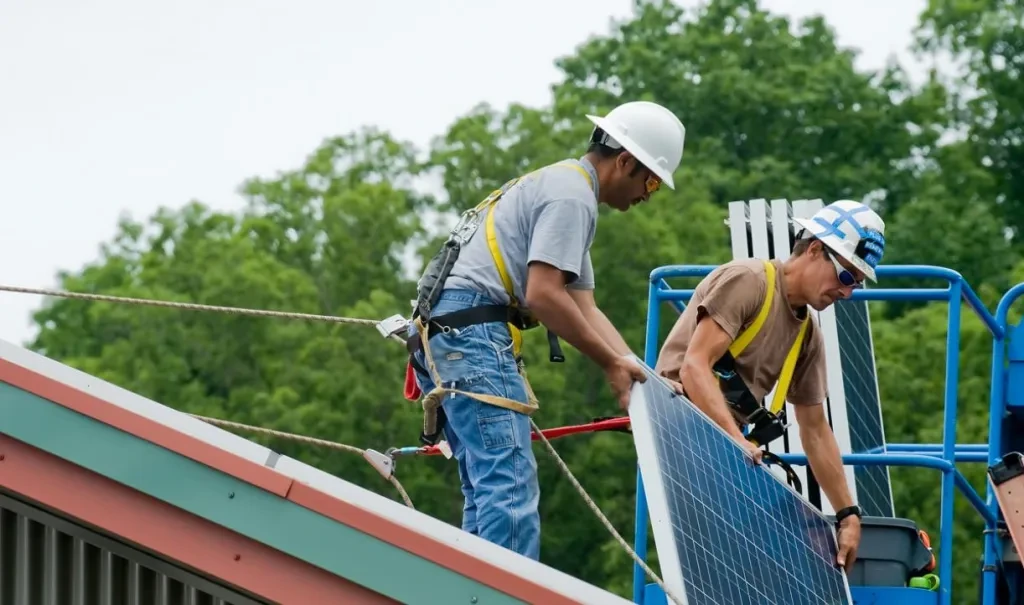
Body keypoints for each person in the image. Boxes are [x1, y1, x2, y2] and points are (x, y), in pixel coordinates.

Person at [404, 100, 687, 560]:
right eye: (651, 180)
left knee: (487, 487)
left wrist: (641, 374)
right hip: (470, 333)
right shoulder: (571, 198)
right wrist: (611, 364)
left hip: (447, 332)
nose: (649, 194)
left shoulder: (563, 187)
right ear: (625, 161)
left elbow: (585, 306)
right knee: (508, 484)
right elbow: (544, 295)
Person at [654, 199, 887, 572]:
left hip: (725, 449)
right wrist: (737, 440)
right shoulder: (749, 281)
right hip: (677, 426)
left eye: (856, 285)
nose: (847, 293)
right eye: (846, 277)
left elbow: (814, 428)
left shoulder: (807, 335)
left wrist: (848, 514)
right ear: (814, 250)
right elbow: (695, 367)